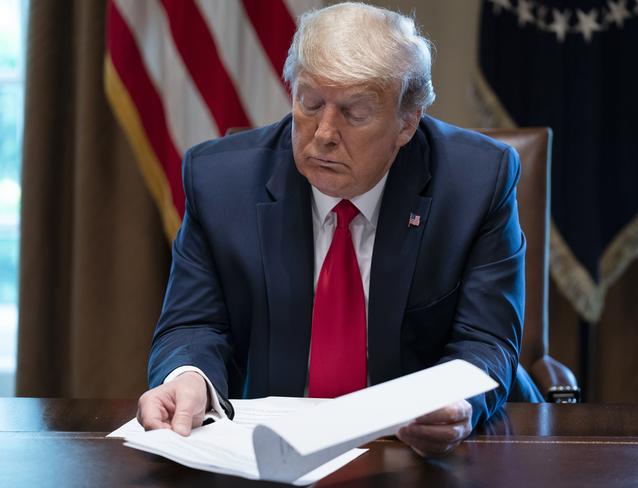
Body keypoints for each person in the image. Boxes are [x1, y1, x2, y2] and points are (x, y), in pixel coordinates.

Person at [137, 2, 526, 457]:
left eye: (354, 112)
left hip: (419, 456)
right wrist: (188, 377)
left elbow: (486, 338)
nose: (323, 133)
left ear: (407, 121)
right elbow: (194, 323)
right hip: (272, 455)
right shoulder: (220, 182)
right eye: (310, 102)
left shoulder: (477, 181)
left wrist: (457, 402)